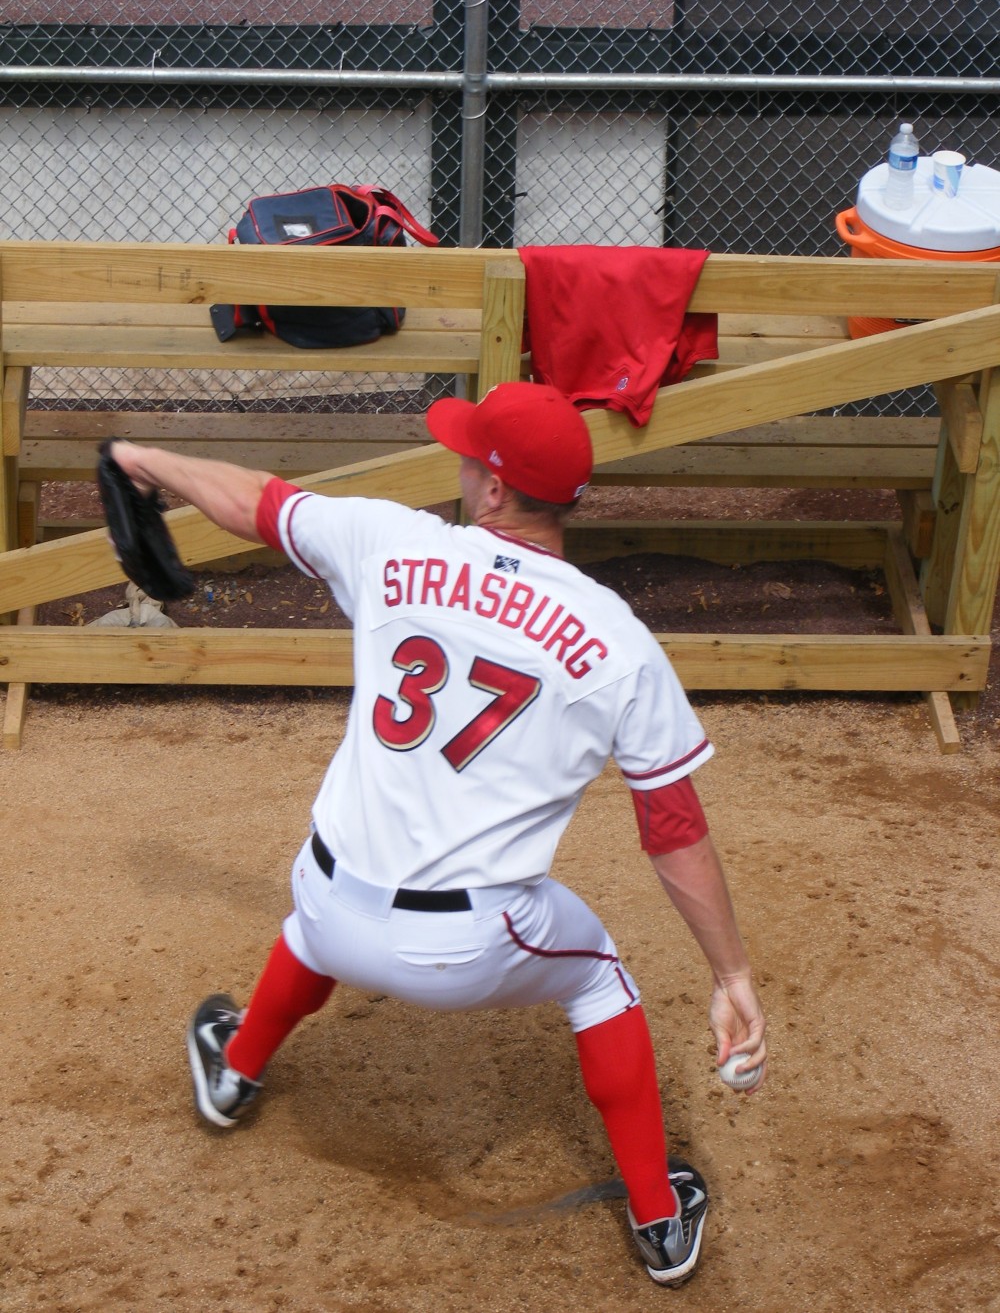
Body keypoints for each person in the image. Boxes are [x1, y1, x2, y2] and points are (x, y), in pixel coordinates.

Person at [107, 381, 767, 1288]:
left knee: (317, 909)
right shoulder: (619, 642)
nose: (456, 462)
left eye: (469, 454)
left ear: (494, 490)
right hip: (469, 947)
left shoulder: (389, 541)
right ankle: (658, 1214)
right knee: (599, 972)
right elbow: (672, 828)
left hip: (327, 899)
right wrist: (731, 975)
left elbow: (256, 502)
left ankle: (236, 1071)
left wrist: (145, 460)